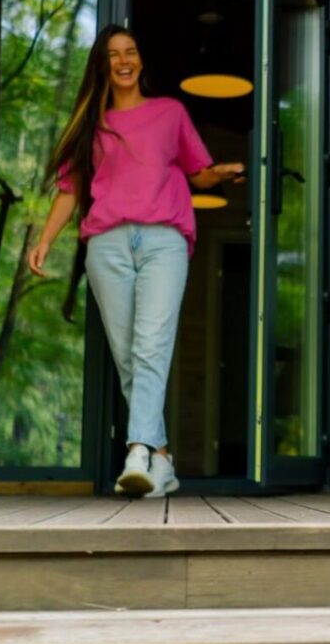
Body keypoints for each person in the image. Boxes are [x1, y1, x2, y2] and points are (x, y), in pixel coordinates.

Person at [28, 24, 244, 499]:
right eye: (113, 54)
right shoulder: (92, 124)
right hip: (106, 246)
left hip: (164, 241)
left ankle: (137, 451)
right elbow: (70, 190)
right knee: (129, 355)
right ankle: (161, 461)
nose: (124, 60)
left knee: (151, 345)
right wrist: (45, 240)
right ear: (101, 65)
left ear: (141, 61)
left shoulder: (170, 113)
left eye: (131, 51)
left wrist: (221, 172)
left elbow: (198, 174)